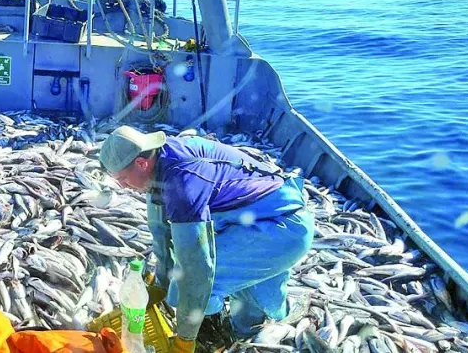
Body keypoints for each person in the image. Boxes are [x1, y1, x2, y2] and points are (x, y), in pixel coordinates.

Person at [98, 126, 314, 351]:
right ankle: (247, 330)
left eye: (123, 178)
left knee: (192, 288)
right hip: (256, 222)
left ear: (141, 163)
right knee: (250, 310)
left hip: (283, 229)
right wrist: (160, 283)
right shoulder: (159, 159)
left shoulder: (182, 184)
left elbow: (196, 271)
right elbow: (160, 230)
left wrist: (185, 337)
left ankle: (209, 340)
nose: (122, 186)